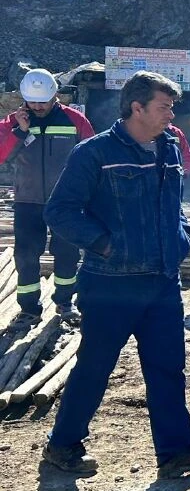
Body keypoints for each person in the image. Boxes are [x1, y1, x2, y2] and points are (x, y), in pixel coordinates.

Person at [41, 71, 190, 478]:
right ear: (136, 107)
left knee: (167, 367)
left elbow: (174, 202)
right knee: (96, 365)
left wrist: (180, 237)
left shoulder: (170, 147)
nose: (171, 114)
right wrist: (108, 245)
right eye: (164, 106)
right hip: (110, 283)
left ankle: (176, 453)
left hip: (161, 281)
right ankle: (62, 445)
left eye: (172, 106)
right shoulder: (95, 152)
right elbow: (60, 212)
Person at [0, 68, 95, 322]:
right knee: (26, 255)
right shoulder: (11, 123)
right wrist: (19, 131)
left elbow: (93, 158)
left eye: (43, 101)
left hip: (66, 202)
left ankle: (64, 303)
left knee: (67, 253)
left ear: (55, 96)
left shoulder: (75, 120)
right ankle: (29, 309)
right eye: (33, 101)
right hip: (27, 201)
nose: (38, 107)